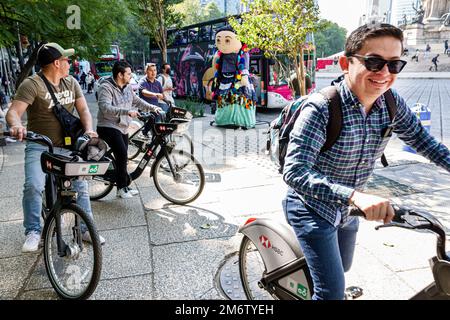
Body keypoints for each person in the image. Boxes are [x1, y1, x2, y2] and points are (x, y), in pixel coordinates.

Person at [282, 23, 450, 300]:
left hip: (350, 210)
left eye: (394, 65)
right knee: (331, 293)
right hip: (311, 207)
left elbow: (424, 142)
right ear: (346, 63)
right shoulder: (321, 108)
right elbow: (295, 171)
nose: (384, 73)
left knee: (342, 266)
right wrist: (354, 196)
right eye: (374, 62)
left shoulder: (390, 103)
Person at [6, 42, 106, 252]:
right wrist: (16, 126)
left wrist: (89, 130)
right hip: (39, 147)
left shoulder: (71, 82)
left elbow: (84, 110)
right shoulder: (32, 84)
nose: (70, 63)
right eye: (66, 60)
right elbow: (13, 112)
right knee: (33, 185)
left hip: (68, 145)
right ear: (56, 63)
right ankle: (33, 230)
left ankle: (86, 229)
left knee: (80, 185)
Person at [96, 61, 163, 199]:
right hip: (108, 126)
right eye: (128, 73)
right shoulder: (106, 87)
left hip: (123, 127)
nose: (131, 75)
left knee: (123, 157)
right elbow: (105, 108)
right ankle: (121, 188)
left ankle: (124, 185)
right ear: (120, 74)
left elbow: (137, 101)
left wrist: (152, 107)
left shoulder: (127, 87)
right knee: (121, 154)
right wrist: (127, 112)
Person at [138, 63, 166, 136]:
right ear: (146, 71)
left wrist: (168, 102)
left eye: (155, 70)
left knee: (161, 124)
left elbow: (162, 95)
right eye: (151, 70)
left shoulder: (157, 83)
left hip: (155, 109)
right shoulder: (142, 81)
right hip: (144, 110)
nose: (153, 72)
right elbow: (144, 92)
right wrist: (155, 94)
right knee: (153, 119)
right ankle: (144, 133)